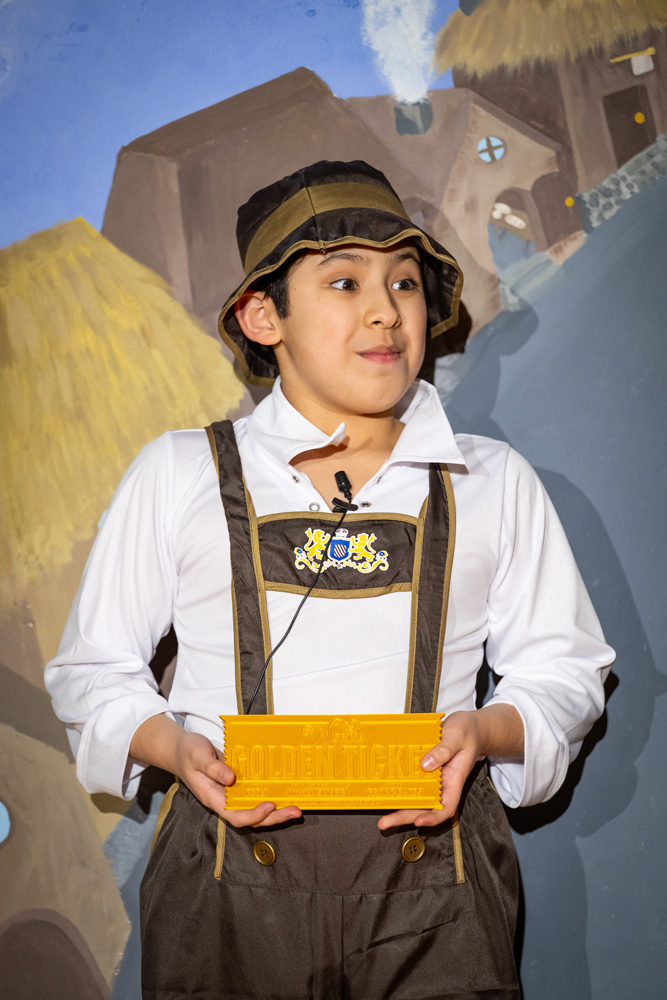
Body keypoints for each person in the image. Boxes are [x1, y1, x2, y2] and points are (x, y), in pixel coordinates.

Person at [46, 159, 614, 999]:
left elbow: (565, 671)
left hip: (439, 890)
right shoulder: (178, 473)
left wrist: (486, 731)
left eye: (404, 282)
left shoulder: (490, 480)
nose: (385, 310)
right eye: (344, 282)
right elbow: (91, 673)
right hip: (223, 889)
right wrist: (173, 748)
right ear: (262, 315)